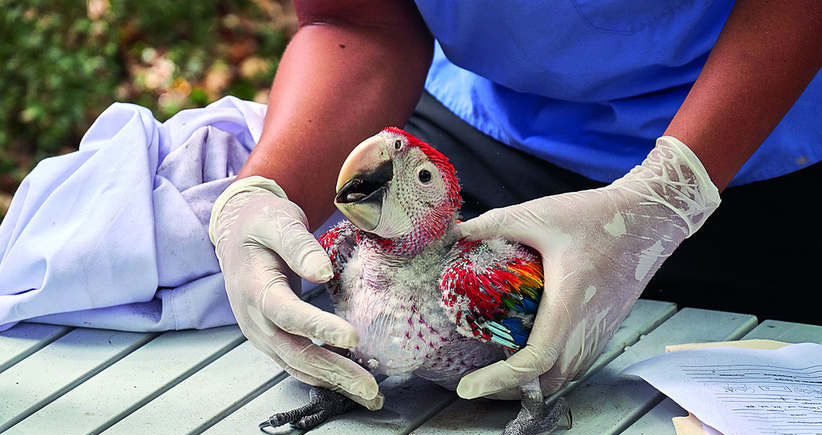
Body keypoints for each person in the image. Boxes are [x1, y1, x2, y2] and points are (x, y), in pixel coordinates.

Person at [208, 0, 822, 411]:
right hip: (483, 131)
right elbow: (357, 18)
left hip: (756, 155)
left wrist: (668, 195)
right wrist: (264, 191)